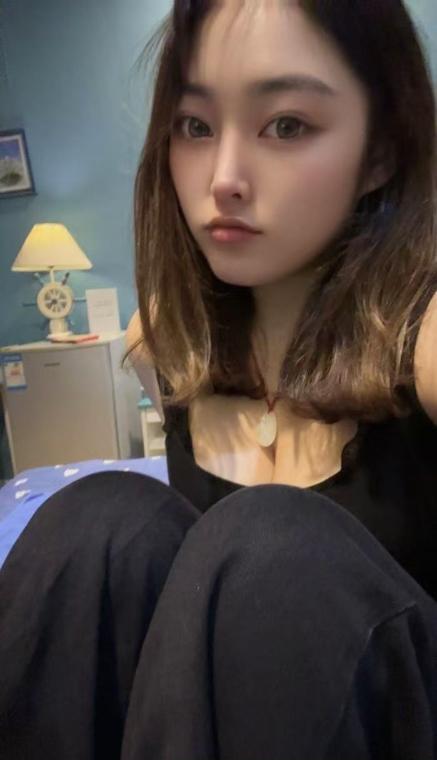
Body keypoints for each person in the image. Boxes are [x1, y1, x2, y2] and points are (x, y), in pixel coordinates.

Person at [1, 1, 437, 758]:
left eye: (287, 125)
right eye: (195, 126)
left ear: (381, 152)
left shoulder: (423, 339)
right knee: (100, 523)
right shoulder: (161, 339)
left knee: (266, 544)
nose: (223, 178)